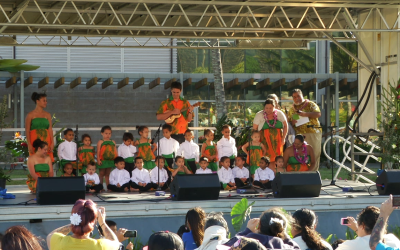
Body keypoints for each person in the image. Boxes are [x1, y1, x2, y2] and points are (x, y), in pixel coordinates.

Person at [47, 199, 120, 250]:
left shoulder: (57, 241)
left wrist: (75, 223)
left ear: (73, 217)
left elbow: (51, 235)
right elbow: (116, 243)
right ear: (94, 221)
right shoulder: (101, 246)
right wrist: (102, 222)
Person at [225, 207, 300, 249]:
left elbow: (226, 246)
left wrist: (247, 231)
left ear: (259, 224)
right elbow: (296, 248)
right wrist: (286, 236)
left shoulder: (245, 241)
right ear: (281, 229)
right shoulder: (280, 245)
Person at [288, 89, 322, 171]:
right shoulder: (292, 109)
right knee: (301, 154)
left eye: (298, 96)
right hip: (299, 135)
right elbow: (289, 122)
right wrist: (292, 122)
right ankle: (303, 173)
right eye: (294, 97)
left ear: (302, 95)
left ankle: (313, 174)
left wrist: (305, 114)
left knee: (314, 153)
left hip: (312, 132)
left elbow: (318, 114)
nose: (297, 98)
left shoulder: (310, 104)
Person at [252, 98, 288, 167]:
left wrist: (283, 138)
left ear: (274, 107)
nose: (268, 110)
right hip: (265, 140)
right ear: (264, 107)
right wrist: (256, 141)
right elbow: (254, 129)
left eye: (271, 108)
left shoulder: (279, 113)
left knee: (278, 158)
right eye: (266, 108)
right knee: (266, 158)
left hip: (277, 141)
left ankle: (277, 173)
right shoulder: (259, 115)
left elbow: (286, 126)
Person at [25, 92, 54, 162]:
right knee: (36, 161)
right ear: (37, 101)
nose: (46, 102)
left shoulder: (47, 115)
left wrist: (52, 142)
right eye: (44, 100)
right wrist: (29, 144)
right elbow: (27, 130)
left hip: (46, 140)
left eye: (46, 101)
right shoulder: (30, 115)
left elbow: (50, 129)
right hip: (35, 140)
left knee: (47, 161)